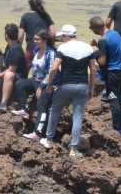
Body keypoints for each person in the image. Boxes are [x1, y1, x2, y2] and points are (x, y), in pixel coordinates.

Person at [42, 25, 98, 158]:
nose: (61, 39)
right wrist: (91, 88)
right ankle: (73, 149)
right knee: (77, 117)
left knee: (55, 110)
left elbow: (54, 69)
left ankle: (48, 140)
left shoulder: (63, 48)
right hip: (82, 87)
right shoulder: (87, 47)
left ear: (67, 36)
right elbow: (93, 69)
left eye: (62, 37)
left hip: (66, 86)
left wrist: (49, 84)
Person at [90, 16, 121, 136]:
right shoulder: (115, 33)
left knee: (113, 100)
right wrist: (98, 47)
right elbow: (111, 50)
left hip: (113, 74)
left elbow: (102, 62)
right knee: (117, 99)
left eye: (91, 28)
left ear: (96, 28)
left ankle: (118, 129)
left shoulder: (103, 40)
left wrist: (94, 51)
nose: (91, 30)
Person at [17, 30, 58, 134]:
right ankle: (24, 110)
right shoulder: (36, 49)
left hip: (45, 82)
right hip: (34, 79)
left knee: (41, 104)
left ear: (44, 40)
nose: (34, 41)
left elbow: (51, 72)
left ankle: (38, 132)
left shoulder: (50, 53)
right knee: (20, 84)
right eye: (34, 38)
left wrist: (41, 86)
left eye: (37, 39)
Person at [17, 0, 55, 67]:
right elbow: (53, 33)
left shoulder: (25, 16)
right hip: (45, 48)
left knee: (24, 70)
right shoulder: (46, 15)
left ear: (30, 5)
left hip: (31, 48)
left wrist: (18, 48)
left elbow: (21, 35)